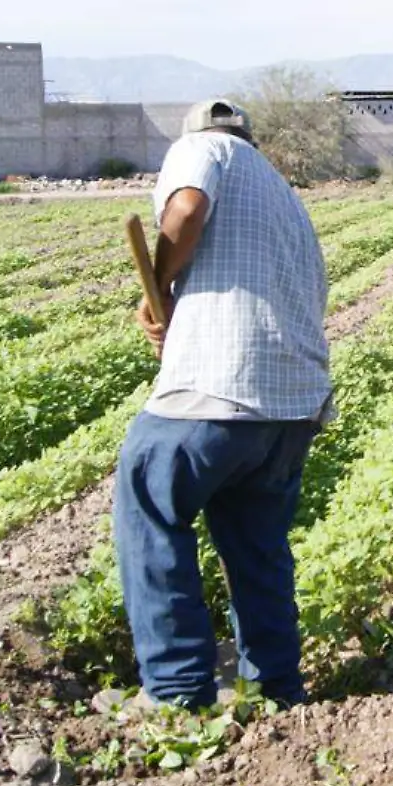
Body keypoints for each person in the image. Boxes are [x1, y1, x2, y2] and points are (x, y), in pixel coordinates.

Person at [119, 99, 334, 710]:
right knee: (256, 544)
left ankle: (179, 696)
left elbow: (187, 208)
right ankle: (277, 694)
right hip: (292, 405)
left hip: (220, 382)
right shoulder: (286, 198)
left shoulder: (202, 148)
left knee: (149, 491)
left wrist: (159, 287)